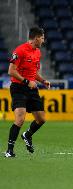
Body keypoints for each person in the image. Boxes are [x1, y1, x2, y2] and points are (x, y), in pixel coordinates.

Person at [5, 27, 50, 157]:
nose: (43, 40)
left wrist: (43, 81)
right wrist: (26, 82)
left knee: (41, 119)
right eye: (42, 37)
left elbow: (34, 72)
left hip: (32, 89)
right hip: (18, 87)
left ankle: (27, 135)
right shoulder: (20, 50)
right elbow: (11, 71)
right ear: (36, 38)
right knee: (20, 117)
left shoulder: (38, 52)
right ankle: (9, 150)